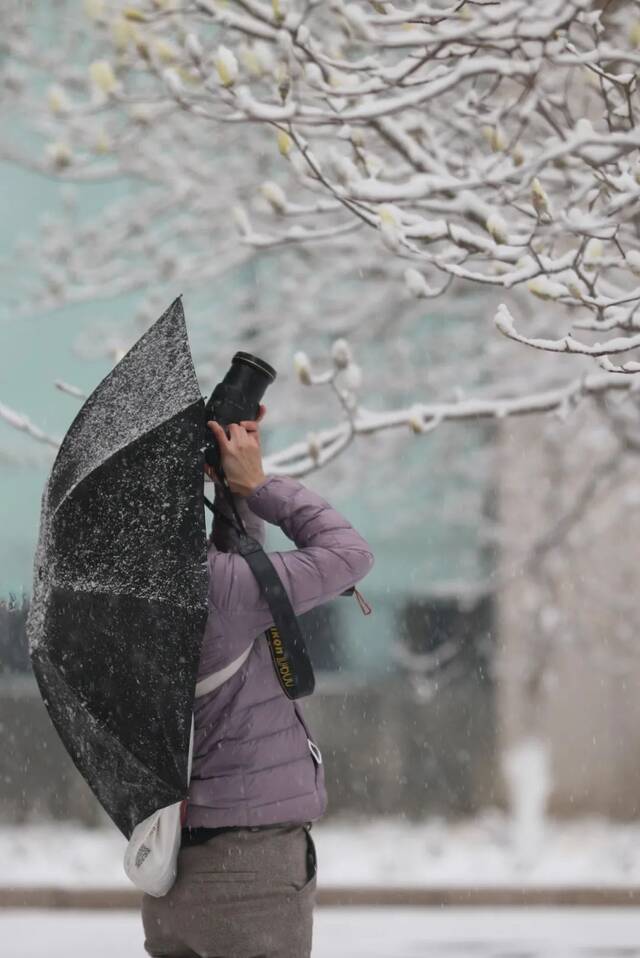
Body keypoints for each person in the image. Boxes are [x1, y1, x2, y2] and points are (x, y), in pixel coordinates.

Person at [142, 404, 374, 958]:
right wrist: (257, 483)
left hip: (173, 877)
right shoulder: (217, 589)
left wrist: (231, 495)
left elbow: (236, 572)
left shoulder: (127, 596)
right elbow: (350, 554)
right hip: (248, 878)